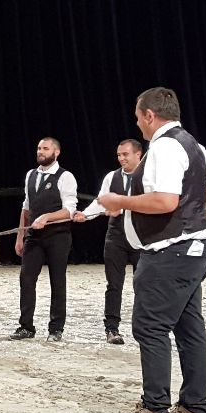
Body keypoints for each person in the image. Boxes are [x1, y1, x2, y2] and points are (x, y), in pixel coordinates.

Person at [102, 87, 206, 413]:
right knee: (189, 328)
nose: (137, 123)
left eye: (137, 116)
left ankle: (155, 409)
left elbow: (164, 201)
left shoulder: (162, 147)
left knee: (150, 326)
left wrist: (119, 201)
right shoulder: (189, 142)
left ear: (149, 115)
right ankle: (194, 407)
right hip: (194, 247)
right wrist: (203, 216)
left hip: (172, 251)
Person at [73, 139, 144, 344]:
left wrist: (122, 208)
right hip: (117, 236)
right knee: (114, 284)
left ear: (138, 154)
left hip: (142, 237)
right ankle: (112, 329)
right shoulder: (111, 177)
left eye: (126, 154)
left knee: (144, 285)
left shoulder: (149, 176)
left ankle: (144, 328)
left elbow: (154, 202)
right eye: (119, 155)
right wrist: (85, 215)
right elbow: (100, 201)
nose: (121, 158)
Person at [10, 137, 77, 342]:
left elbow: (70, 210)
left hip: (58, 237)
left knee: (57, 281)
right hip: (33, 237)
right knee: (26, 279)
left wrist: (48, 217)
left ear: (56, 152)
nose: (40, 152)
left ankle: (56, 328)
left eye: (45, 149)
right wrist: (20, 236)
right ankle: (26, 326)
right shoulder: (31, 175)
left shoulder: (65, 177)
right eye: (39, 148)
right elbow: (26, 207)